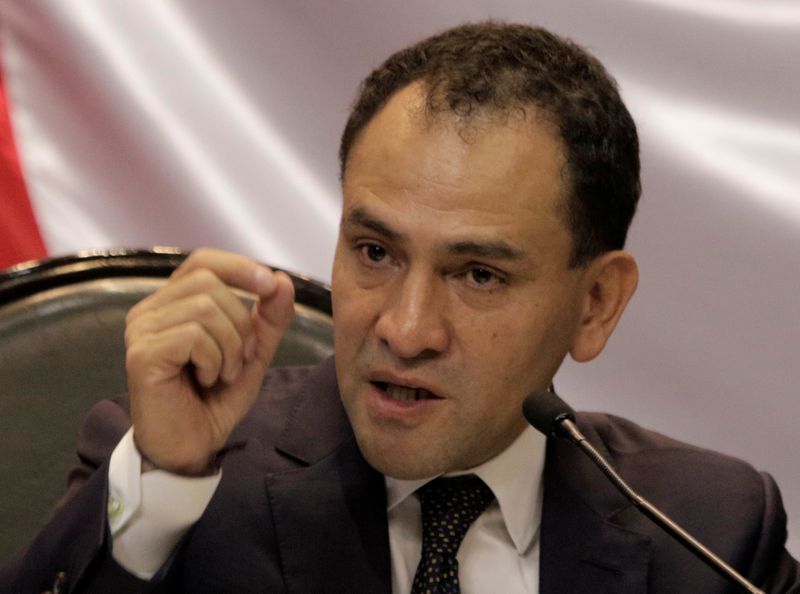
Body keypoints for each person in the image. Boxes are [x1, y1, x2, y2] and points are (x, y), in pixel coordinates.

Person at [2, 21, 798, 594]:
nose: (405, 329)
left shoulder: (708, 532)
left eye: (479, 275)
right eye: (376, 253)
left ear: (595, 303)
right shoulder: (185, 478)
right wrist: (164, 486)